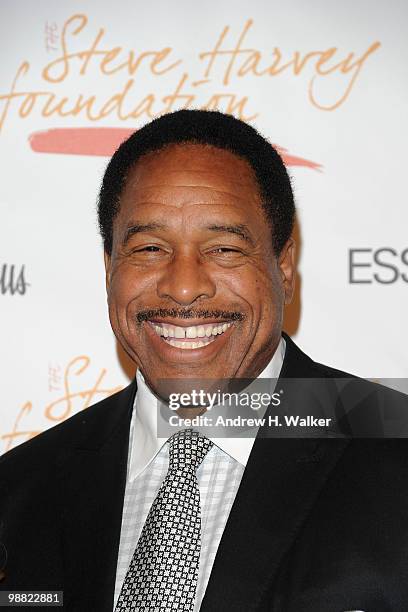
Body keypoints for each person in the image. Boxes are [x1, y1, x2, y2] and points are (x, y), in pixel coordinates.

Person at [0, 109, 407, 612]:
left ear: (283, 267)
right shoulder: (19, 491)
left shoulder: (394, 448)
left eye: (223, 249)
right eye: (149, 248)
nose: (184, 286)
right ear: (110, 269)